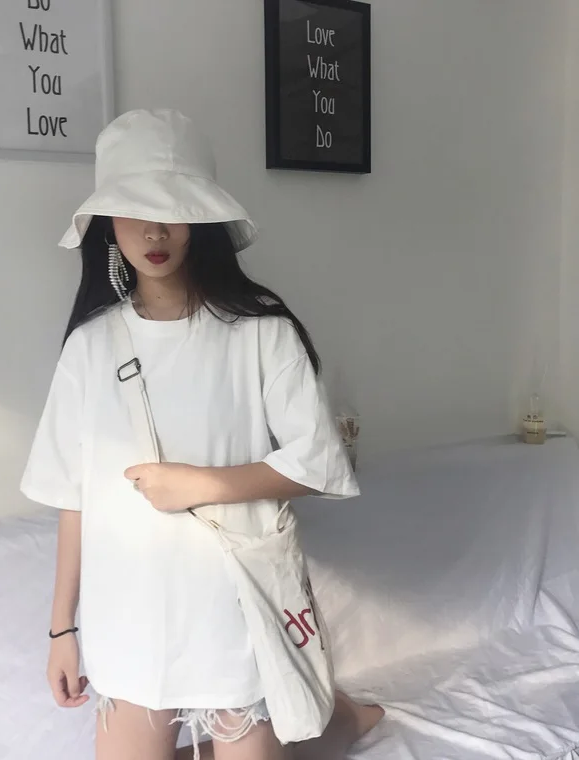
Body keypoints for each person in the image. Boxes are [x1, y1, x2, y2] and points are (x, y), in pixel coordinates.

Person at [21, 109, 384, 760]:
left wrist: (201, 484)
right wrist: (60, 631)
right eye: (135, 210)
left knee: (265, 735)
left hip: (234, 613)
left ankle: (339, 719)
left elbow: (319, 462)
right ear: (108, 222)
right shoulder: (89, 347)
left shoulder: (262, 332)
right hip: (128, 617)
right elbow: (73, 497)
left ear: (202, 219)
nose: (154, 231)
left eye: (174, 210)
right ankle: (335, 719)